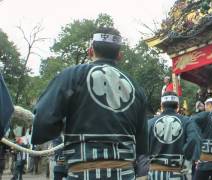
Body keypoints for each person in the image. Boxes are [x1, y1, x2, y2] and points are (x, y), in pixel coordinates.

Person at [31, 27, 148, 180]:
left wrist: (62, 127)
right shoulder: (136, 87)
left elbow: (43, 121)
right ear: (119, 56)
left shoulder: (71, 76)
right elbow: (142, 146)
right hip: (125, 174)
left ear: (90, 51)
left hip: (82, 173)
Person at [147, 91, 201, 179]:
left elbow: (141, 148)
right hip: (177, 174)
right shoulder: (187, 121)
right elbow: (194, 139)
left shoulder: (149, 123)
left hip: (154, 174)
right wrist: (188, 159)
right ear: (178, 106)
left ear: (161, 106)